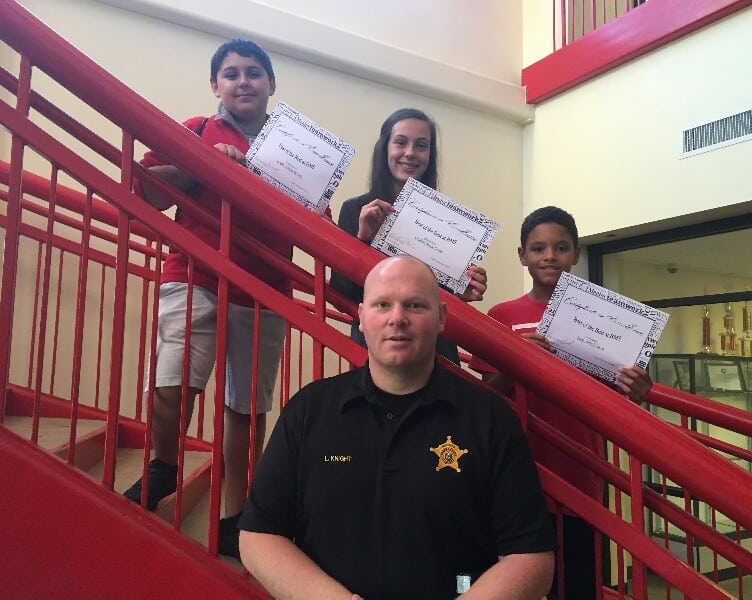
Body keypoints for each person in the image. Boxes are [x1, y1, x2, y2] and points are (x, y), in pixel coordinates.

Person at [239, 256, 555, 599]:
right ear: (361, 317)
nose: (397, 318)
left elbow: (531, 558)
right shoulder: (309, 411)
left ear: (441, 318)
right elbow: (259, 535)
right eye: (383, 305)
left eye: (415, 305)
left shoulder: (491, 419)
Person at [123, 38, 294, 560]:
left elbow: (315, 221)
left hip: (264, 287)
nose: (243, 81)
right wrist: (202, 164)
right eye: (232, 73)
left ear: (270, 84)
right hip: (194, 273)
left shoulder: (293, 146)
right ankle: (164, 466)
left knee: (245, 407)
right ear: (215, 85)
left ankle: (236, 514)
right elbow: (146, 191)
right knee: (172, 381)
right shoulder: (195, 129)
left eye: (254, 73)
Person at [469, 206, 652, 599]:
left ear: (577, 253)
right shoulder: (501, 315)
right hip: (516, 470)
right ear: (522, 255)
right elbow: (486, 398)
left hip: (581, 471)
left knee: (579, 581)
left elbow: (617, 397)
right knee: (514, 580)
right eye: (538, 248)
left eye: (561, 247)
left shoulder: (605, 318)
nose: (549, 256)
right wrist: (518, 362)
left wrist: (638, 390)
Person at [330, 108, 487, 365]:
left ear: (430, 155)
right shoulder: (356, 210)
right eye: (401, 142)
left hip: (435, 349)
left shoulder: (447, 220)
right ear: (385, 148)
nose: (410, 153)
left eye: (421, 145)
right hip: (377, 349)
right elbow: (341, 292)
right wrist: (363, 240)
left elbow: (440, 299)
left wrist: (462, 293)